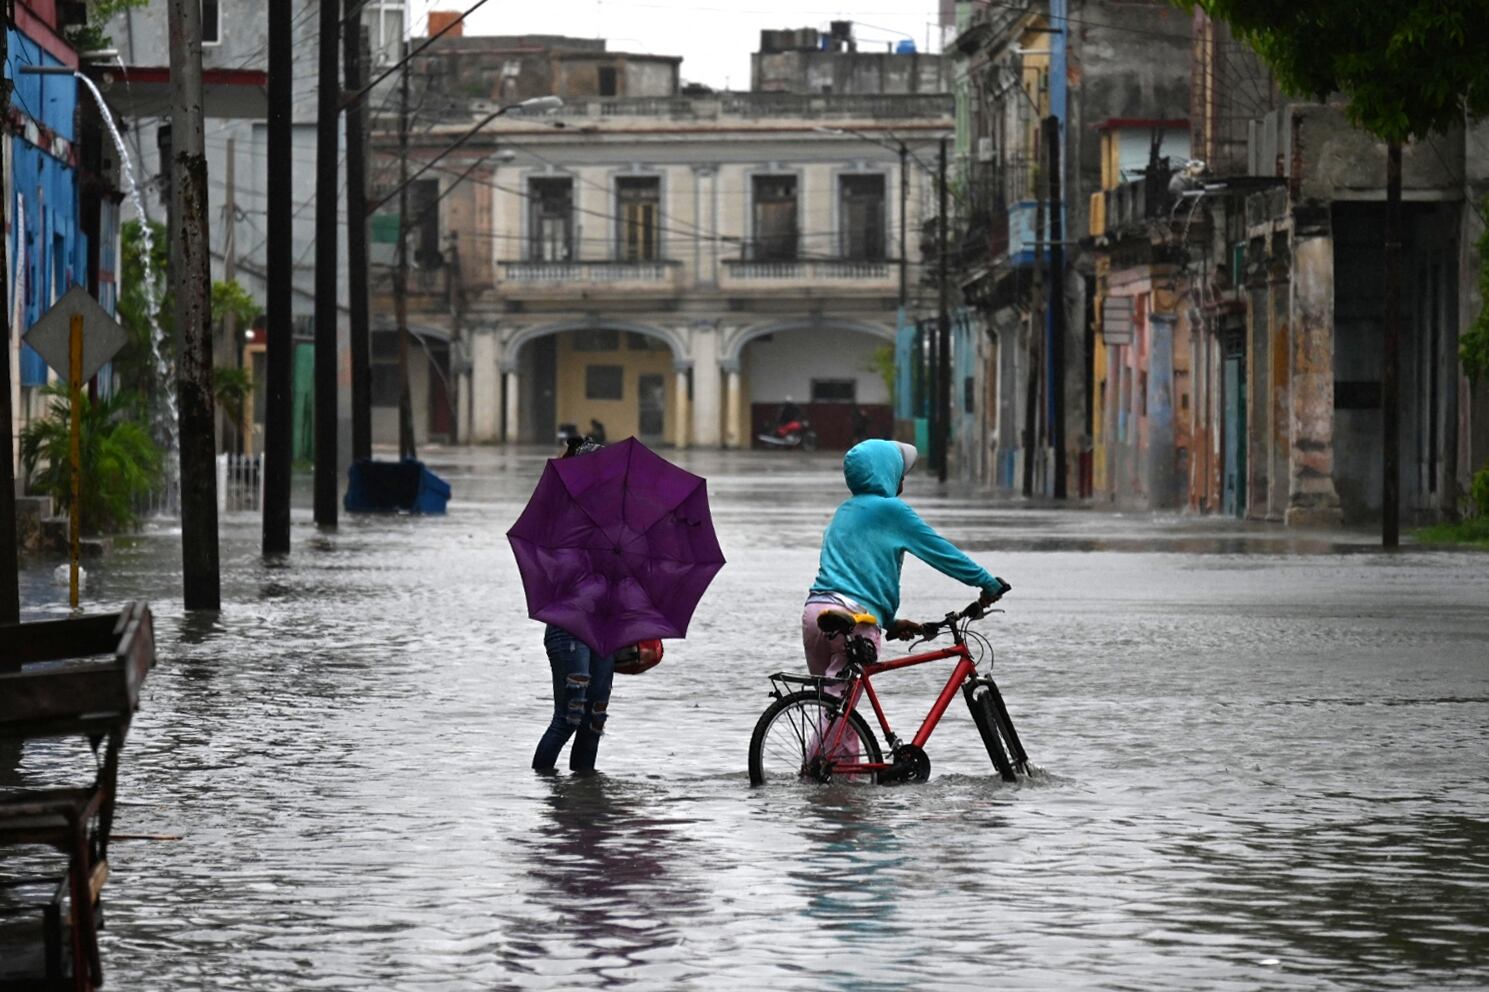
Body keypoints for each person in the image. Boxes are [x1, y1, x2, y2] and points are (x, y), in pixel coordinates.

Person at [802, 439, 1009, 685]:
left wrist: (890, 622)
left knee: (827, 705)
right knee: (836, 711)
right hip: (853, 618)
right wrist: (987, 583)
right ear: (885, 472)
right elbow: (940, 552)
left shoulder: (843, 512)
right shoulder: (892, 511)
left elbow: (851, 575)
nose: (902, 481)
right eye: (899, 473)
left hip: (817, 613)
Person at [532, 438, 616, 774]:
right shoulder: (562, 515)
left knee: (593, 721)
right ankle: (546, 794)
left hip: (602, 629)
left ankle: (583, 803)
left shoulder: (614, 523)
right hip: (568, 627)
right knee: (568, 718)